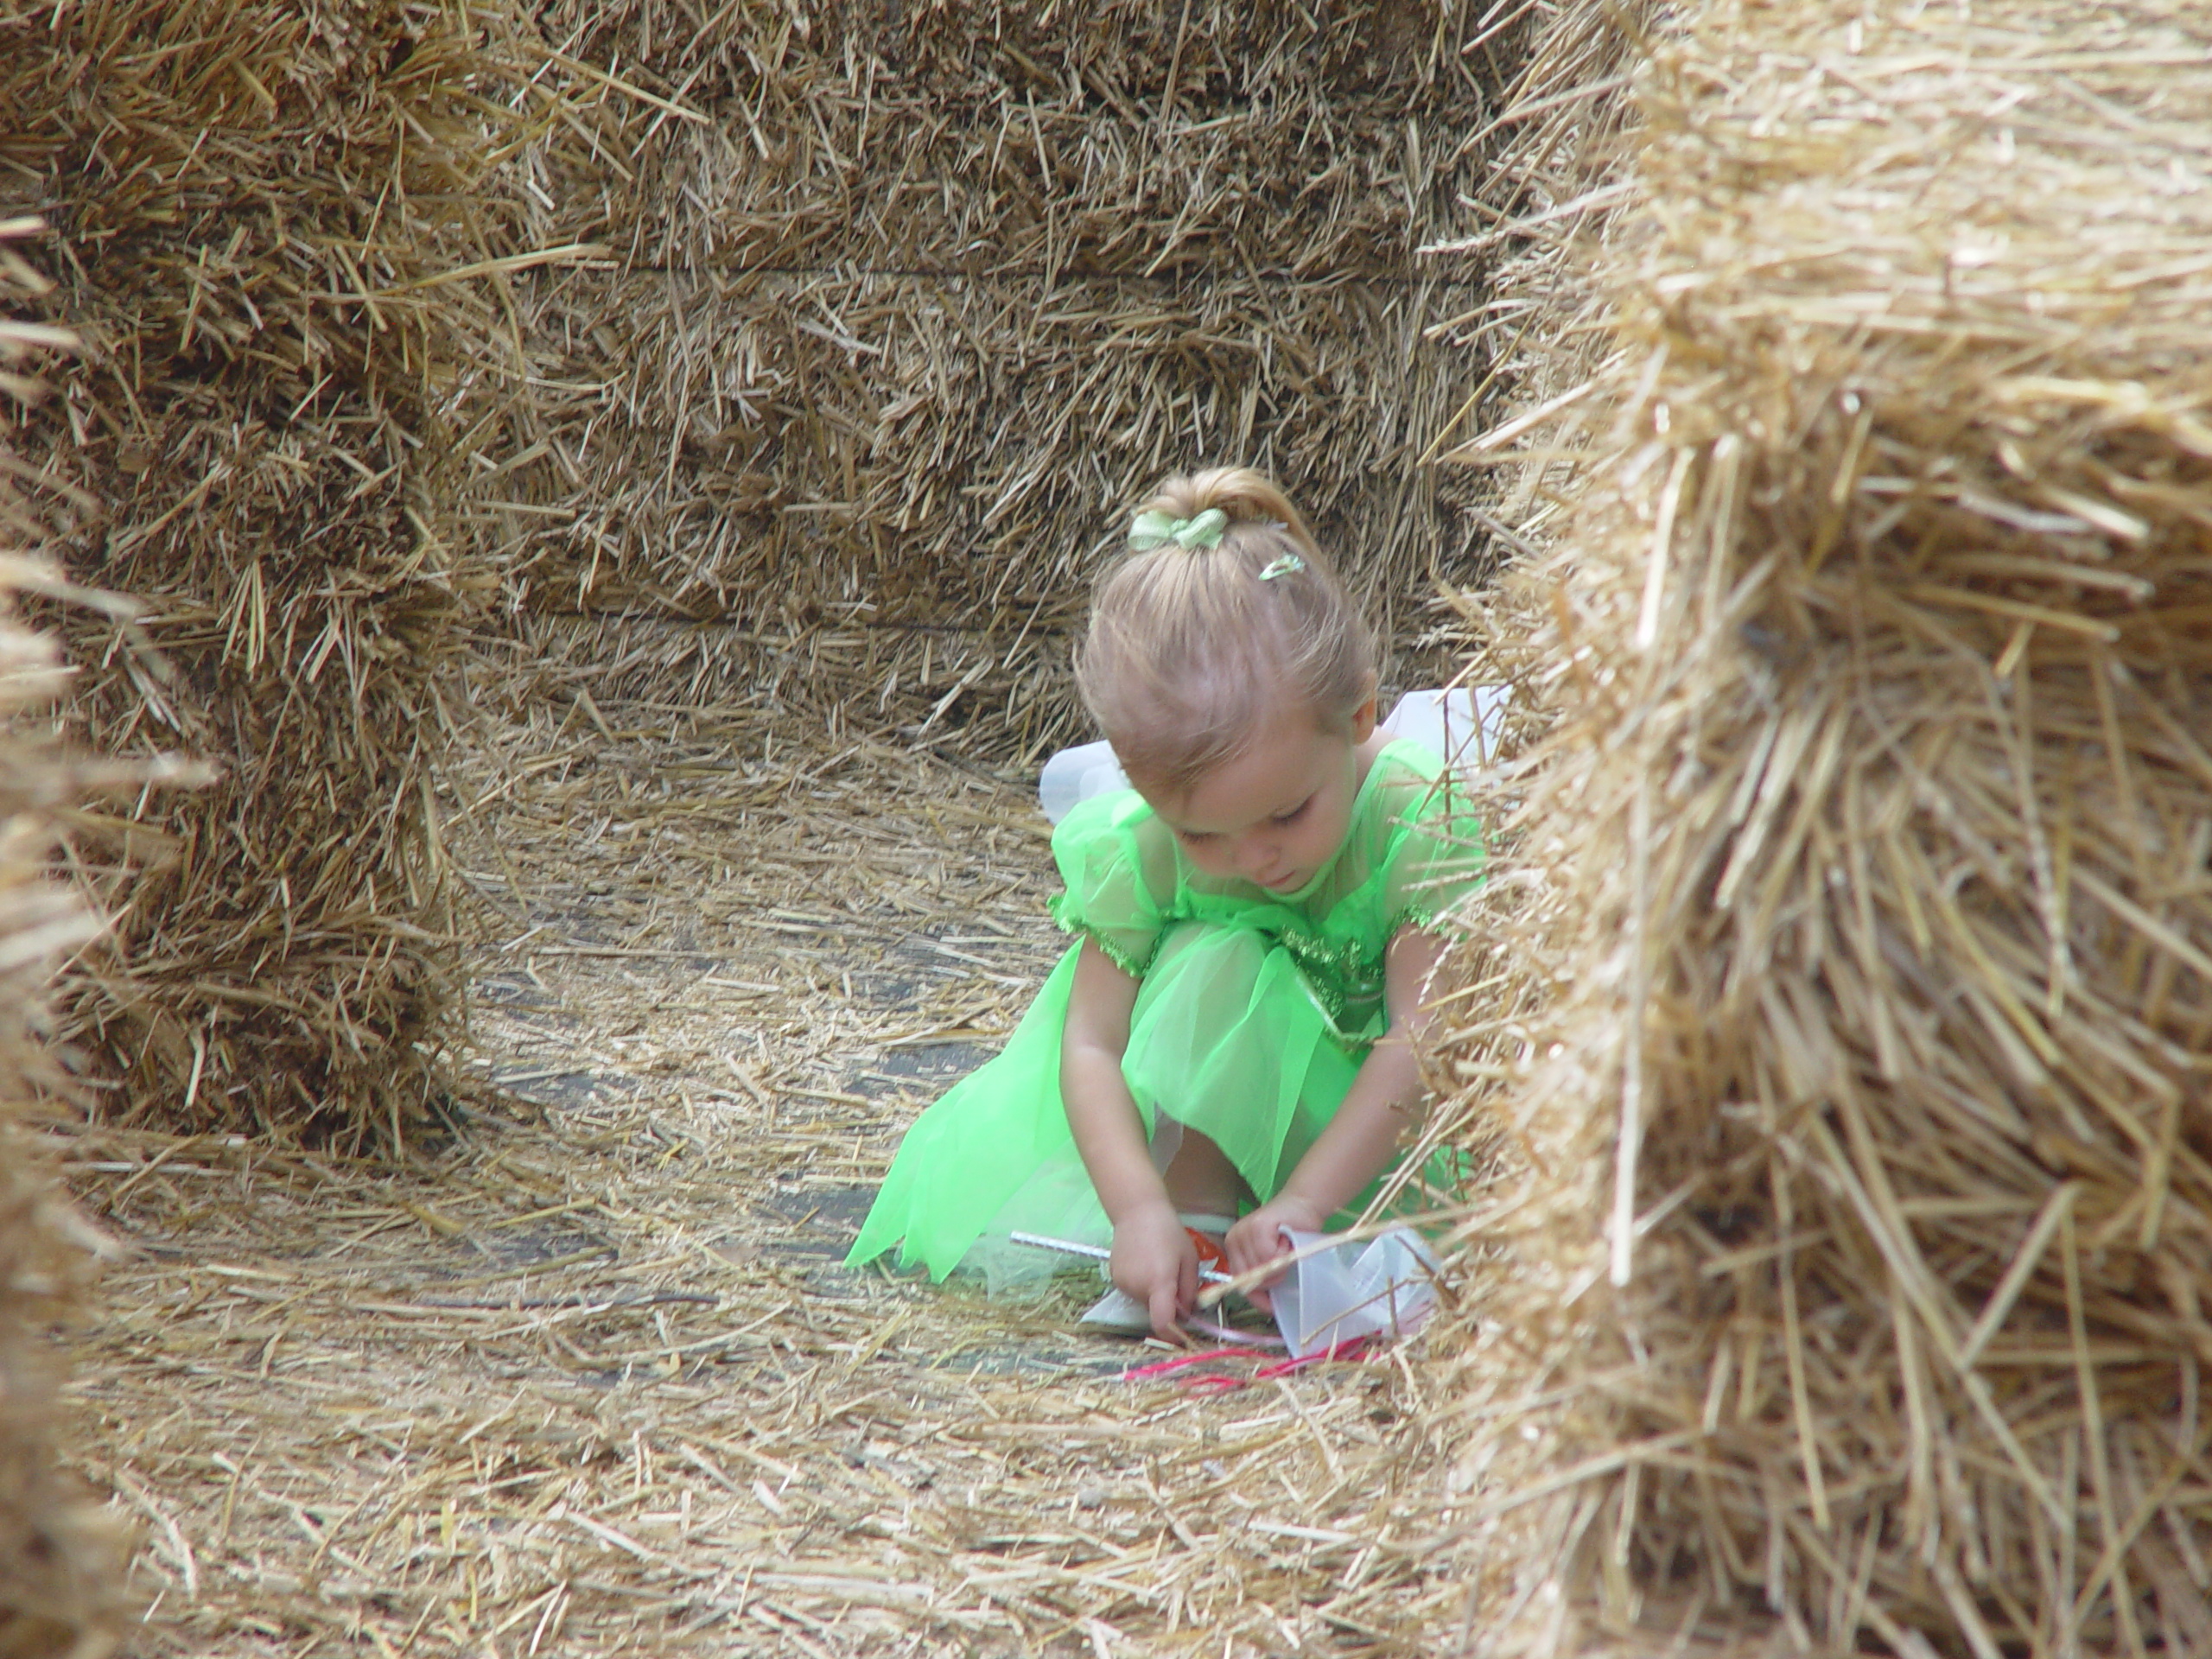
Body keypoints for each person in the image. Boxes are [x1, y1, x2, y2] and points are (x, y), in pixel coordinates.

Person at [845, 467, 1484, 1339]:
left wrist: (1306, 1199)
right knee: (1206, 959)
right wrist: (1135, 1206)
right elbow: (1091, 1041)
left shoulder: (1416, 818)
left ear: (1361, 714)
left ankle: (1293, 1237)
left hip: (1377, 1151)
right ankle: (1195, 1234)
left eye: (1287, 814)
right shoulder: (1144, 846)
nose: (1252, 858)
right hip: (1215, 1151)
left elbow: (1422, 1038)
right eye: (1203, 837)